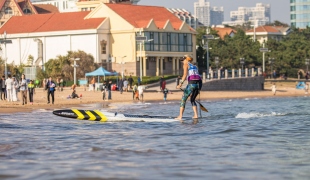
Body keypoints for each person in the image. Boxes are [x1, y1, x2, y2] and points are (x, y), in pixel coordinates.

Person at [176, 54, 202, 120]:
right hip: (198, 85)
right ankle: (196, 115)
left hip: (191, 84)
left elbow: (184, 75)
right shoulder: (195, 66)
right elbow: (199, 77)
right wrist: (199, 89)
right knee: (192, 100)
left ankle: (180, 116)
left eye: (183, 60)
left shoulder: (186, 65)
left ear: (187, 59)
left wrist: (180, 84)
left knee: (183, 99)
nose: (182, 62)